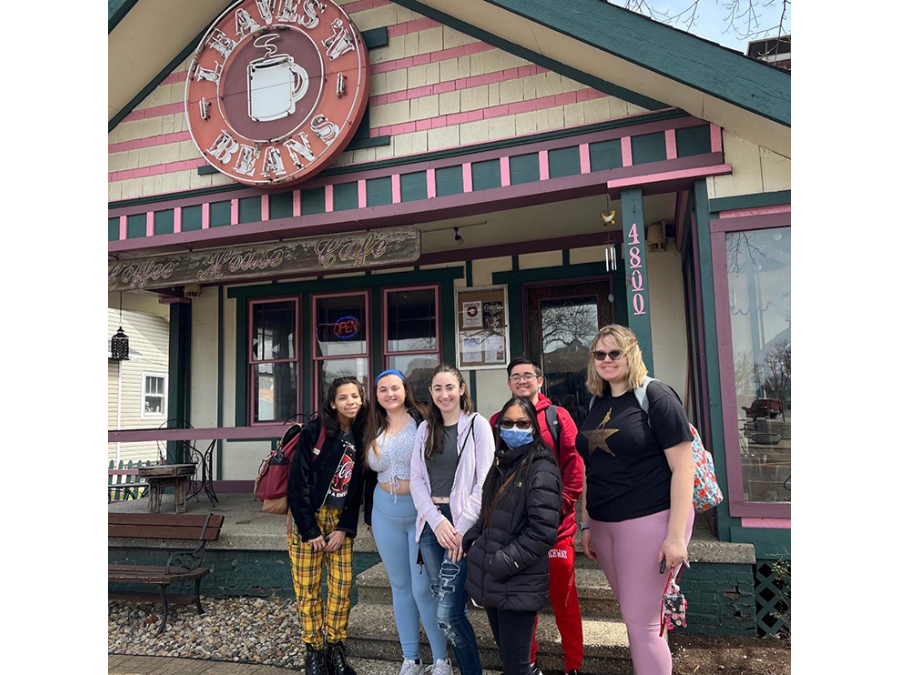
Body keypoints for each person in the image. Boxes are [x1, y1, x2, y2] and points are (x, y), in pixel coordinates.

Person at [576, 325, 695, 675]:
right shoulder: (598, 401)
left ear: (632, 354)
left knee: (643, 625)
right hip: (603, 525)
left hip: (649, 521)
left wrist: (675, 538)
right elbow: (590, 466)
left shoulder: (656, 395)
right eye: (600, 354)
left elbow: (684, 469)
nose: (608, 360)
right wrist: (586, 522)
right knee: (636, 619)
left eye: (616, 353)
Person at [489, 358, 584, 675]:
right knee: (520, 604)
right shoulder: (497, 421)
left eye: (527, 375)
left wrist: (560, 506)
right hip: (516, 535)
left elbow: (574, 465)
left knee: (564, 602)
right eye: (515, 376)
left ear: (539, 381)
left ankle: (573, 666)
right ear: (509, 384)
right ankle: (525, 666)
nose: (521, 380)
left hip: (556, 530)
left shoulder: (558, 418)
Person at [463, 397, 562, 675]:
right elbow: (489, 513)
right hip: (494, 580)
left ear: (534, 428)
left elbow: (542, 531)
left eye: (522, 423)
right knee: (510, 662)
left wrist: (501, 562)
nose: (514, 429)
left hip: (517, 580)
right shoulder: (501, 463)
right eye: (507, 423)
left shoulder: (541, 468)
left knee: (518, 667)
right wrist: (473, 537)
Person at [362, 369, 451, 675]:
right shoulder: (371, 425)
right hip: (384, 511)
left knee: (423, 588)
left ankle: (441, 659)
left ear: (405, 390)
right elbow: (364, 473)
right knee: (399, 587)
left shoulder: (424, 420)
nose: (389, 394)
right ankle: (411, 658)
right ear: (376, 395)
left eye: (395, 388)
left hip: (419, 512)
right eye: (383, 389)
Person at [409, 364, 494, 675]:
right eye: (437, 389)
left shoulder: (477, 426)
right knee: (448, 606)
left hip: (463, 527)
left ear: (461, 389)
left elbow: (484, 481)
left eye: (449, 387)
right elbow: (416, 480)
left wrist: (459, 528)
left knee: (447, 614)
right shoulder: (425, 429)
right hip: (433, 526)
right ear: (431, 393)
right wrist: (436, 520)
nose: (444, 394)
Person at [288, 377, 368, 675]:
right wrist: (309, 531)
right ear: (332, 402)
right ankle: (314, 650)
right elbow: (298, 485)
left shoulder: (362, 434)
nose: (351, 401)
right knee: (308, 589)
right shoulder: (314, 432)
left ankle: (335, 648)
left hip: (339, 522)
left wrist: (345, 527)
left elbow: (357, 486)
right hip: (308, 519)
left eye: (356, 396)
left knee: (342, 586)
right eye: (344, 397)